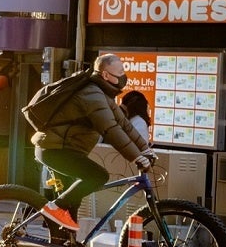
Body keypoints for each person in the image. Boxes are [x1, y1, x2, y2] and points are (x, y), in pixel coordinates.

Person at [28, 52, 154, 232]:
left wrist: (145, 149)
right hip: (55, 150)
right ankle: (53, 207)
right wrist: (136, 157)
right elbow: (110, 129)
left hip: (63, 149)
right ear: (105, 75)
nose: (123, 76)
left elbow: (124, 125)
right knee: (98, 176)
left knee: (72, 206)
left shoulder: (102, 93)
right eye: (120, 72)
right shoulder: (92, 94)